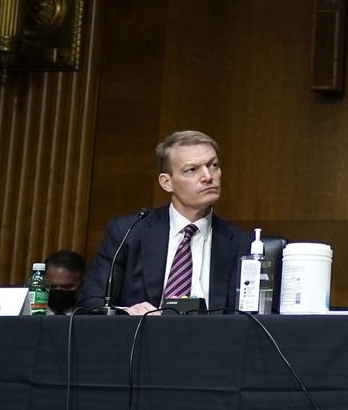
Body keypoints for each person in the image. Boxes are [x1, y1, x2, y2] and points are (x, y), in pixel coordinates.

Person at [79, 131, 251, 314]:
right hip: (142, 338)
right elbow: (90, 303)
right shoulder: (128, 232)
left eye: (213, 165)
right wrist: (126, 312)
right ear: (166, 182)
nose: (208, 176)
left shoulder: (242, 244)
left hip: (213, 340)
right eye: (191, 170)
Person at [43, 250, 86, 314]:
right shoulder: (27, 314)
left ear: (81, 284)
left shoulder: (91, 317)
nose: (58, 291)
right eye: (52, 286)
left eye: (67, 287)